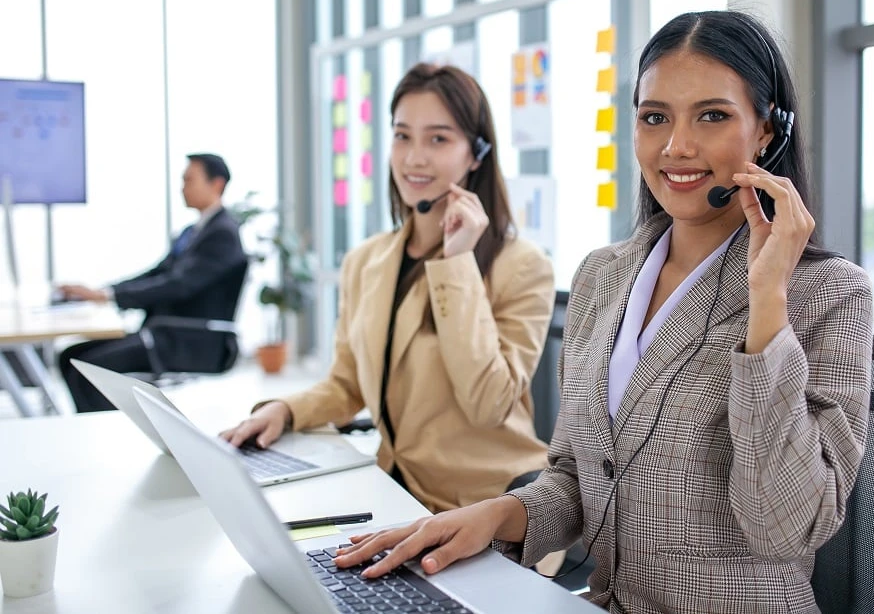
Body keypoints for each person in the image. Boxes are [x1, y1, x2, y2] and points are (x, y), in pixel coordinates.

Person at [332, 11, 874, 613]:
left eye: (712, 116)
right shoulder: (603, 275)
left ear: (768, 131)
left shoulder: (828, 293)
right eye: (654, 118)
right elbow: (578, 476)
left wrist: (767, 304)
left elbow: (785, 528)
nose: (676, 146)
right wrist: (498, 515)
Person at [221, 63, 554, 516]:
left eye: (438, 139)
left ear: (476, 154)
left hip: (485, 510)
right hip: (394, 497)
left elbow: (488, 405)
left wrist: (457, 261)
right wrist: (284, 409)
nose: (415, 158)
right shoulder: (366, 261)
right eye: (402, 136)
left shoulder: (521, 266)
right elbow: (346, 385)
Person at [58, 153, 247, 413]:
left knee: (88, 372)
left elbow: (178, 285)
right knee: (70, 357)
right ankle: (90, 426)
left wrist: (110, 297)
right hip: (165, 331)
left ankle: (103, 431)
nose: (182, 187)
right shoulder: (193, 232)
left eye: (189, 180)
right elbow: (157, 274)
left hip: (190, 340)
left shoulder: (222, 234)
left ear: (217, 184)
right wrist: (105, 293)